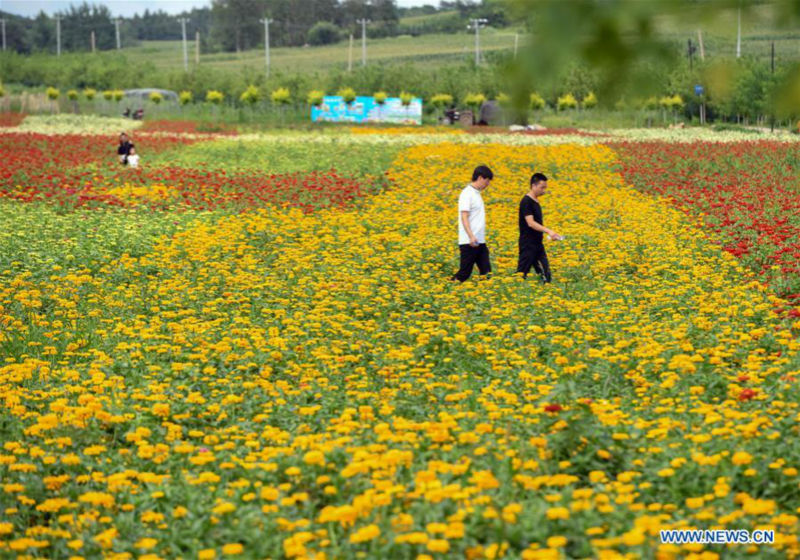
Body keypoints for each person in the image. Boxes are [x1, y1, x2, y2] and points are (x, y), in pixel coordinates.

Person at [517, 173, 562, 283]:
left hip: (537, 243)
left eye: (545, 188)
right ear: (533, 186)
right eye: (542, 187)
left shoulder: (535, 201)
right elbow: (531, 223)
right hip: (528, 244)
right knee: (521, 274)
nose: (544, 190)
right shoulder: (527, 201)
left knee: (546, 275)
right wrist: (548, 231)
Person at [452, 165, 493, 282]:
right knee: (464, 273)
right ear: (480, 178)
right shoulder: (467, 193)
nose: (488, 184)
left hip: (479, 240)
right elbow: (464, 216)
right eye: (487, 180)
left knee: (486, 273)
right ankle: (447, 289)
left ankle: (486, 294)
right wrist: (470, 236)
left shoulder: (476, 194)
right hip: (469, 241)